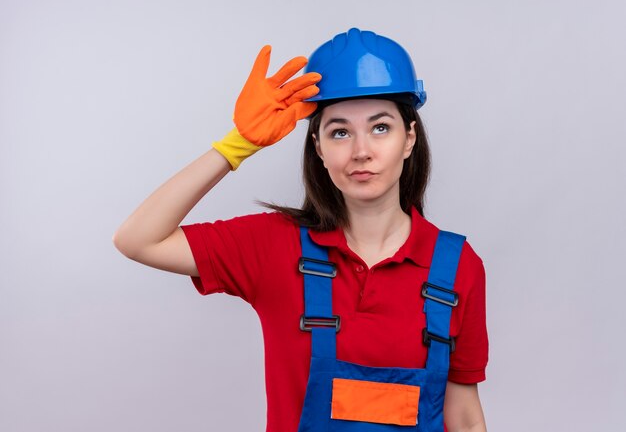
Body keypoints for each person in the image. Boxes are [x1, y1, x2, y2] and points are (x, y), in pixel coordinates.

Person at [113, 28, 488, 432]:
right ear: (319, 148)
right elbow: (138, 239)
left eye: (381, 127)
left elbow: (464, 416)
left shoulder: (456, 266)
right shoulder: (275, 246)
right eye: (340, 132)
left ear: (409, 138)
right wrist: (237, 145)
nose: (361, 150)